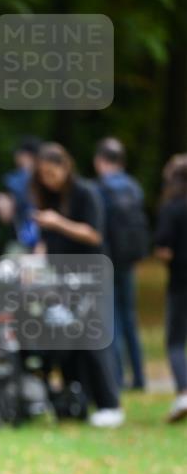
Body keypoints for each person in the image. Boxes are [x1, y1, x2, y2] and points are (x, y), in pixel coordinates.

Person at [32, 142, 124, 428]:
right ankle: (78, 401)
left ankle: (110, 404)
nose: (49, 179)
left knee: (94, 339)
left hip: (90, 274)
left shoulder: (86, 193)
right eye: (43, 174)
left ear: (65, 167)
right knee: (67, 339)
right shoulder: (49, 197)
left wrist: (58, 222)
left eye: (52, 172)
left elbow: (94, 234)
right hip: (61, 277)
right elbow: (45, 241)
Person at [93, 137, 148, 390]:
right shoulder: (134, 187)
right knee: (129, 319)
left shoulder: (101, 188)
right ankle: (139, 377)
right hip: (129, 260)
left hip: (109, 260)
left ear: (100, 161)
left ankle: (117, 378)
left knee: (111, 319)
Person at [154, 153, 187, 423]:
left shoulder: (172, 208)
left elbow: (164, 250)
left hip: (180, 282)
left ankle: (184, 393)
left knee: (175, 341)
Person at [0, 136, 42, 250]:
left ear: (25, 155)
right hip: (50, 243)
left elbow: (6, 215)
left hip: (23, 242)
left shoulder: (16, 179)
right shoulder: (50, 178)